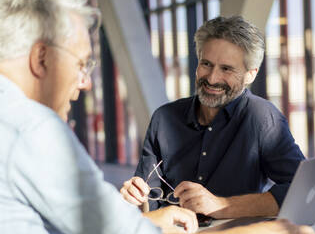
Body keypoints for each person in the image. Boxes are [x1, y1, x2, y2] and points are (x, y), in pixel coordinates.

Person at [0, 0, 315, 234]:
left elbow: (40, 232)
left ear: (249, 74)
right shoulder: (33, 131)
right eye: (81, 64)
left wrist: (154, 219)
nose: (86, 83)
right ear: (41, 58)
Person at [121, 16, 305, 219]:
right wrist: (137, 200)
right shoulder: (163, 119)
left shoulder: (263, 118)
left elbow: (302, 191)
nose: (212, 78)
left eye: (226, 69)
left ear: (250, 75)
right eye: (206, 64)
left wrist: (221, 205)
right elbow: (150, 205)